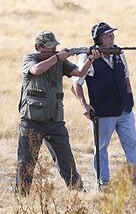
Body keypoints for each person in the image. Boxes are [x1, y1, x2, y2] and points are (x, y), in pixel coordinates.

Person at [16, 31, 100, 195]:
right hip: (32, 120)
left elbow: (80, 73)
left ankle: (77, 192)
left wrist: (91, 59)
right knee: (26, 162)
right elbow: (36, 70)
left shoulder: (60, 62)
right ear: (39, 47)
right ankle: (21, 196)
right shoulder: (30, 58)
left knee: (66, 159)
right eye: (50, 47)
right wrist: (57, 58)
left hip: (55, 120)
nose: (55, 49)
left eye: (55, 47)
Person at [72, 22, 136, 187]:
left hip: (124, 110)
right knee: (101, 148)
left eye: (112, 34)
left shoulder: (118, 53)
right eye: (108, 35)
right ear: (99, 39)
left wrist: (129, 97)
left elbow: (126, 77)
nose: (112, 37)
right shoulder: (88, 57)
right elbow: (76, 84)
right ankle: (103, 183)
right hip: (103, 112)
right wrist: (85, 106)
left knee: (132, 145)